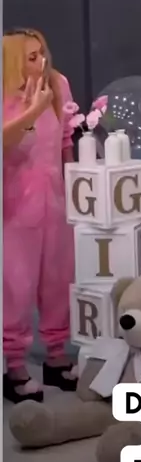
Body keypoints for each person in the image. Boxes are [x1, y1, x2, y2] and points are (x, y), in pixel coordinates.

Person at [3, 28, 77, 403]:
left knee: (58, 280)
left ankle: (56, 356)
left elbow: (64, 141)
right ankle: (15, 366)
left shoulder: (58, 84)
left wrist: (75, 189)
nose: (41, 61)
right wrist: (33, 109)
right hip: (15, 207)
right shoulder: (6, 92)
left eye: (42, 53)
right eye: (32, 56)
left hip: (55, 200)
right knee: (17, 287)